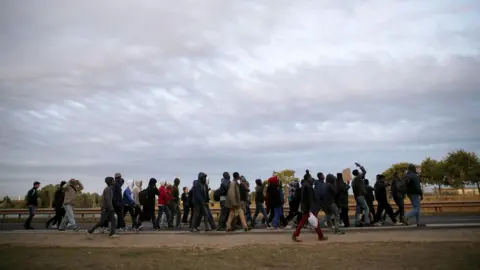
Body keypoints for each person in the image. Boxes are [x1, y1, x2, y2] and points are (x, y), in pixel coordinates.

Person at [292, 170, 327, 242]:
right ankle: (320, 236)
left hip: (306, 207)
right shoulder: (308, 187)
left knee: (306, 221)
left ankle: (295, 235)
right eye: (311, 177)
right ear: (308, 178)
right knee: (313, 221)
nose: (312, 179)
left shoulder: (305, 185)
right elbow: (309, 198)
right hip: (309, 208)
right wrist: (311, 208)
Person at [351, 162, 370, 227]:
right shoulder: (358, 178)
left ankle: (357, 222)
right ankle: (366, 222)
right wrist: (360, 166)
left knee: (358, 210)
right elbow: (364, 171)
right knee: (366, 209)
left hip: (356, 197)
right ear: (358, 173)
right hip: (361, 196)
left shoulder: (353, 181)